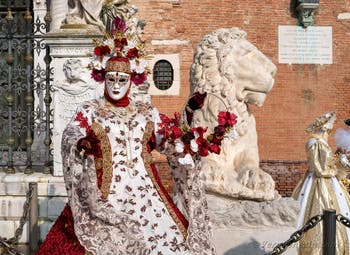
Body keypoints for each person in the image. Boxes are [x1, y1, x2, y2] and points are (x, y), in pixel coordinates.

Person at [37, 15, 217, 254]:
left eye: (122, 79)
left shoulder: (146, 112)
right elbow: (71, 132)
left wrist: (189, 113)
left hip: (148, 193)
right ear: (103, 79)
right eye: (111, 79)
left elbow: (171, 140)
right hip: (106, 194)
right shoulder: (90, 110)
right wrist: (81, 141)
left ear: (131, 81)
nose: (116, 84)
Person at [292, 112, 350, 255]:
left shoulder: (319, 142)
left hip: (327, 181)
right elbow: (321, 169)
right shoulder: (315, 142)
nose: (330, 128)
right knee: (319, 211)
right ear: (323, 126)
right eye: (329, 125)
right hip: (320, 182)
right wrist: (338, 166)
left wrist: (339, 164)